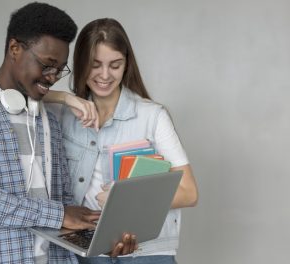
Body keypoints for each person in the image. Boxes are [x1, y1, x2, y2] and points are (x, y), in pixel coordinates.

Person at [0, 3, 135, 263]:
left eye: (60, 69)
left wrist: (102, 239)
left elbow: (65, 204)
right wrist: (57, 214)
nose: (53, 77)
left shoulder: (48, 119)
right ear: (15, 49)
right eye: (47, 65)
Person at [44, 18, 199, 264]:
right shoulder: (62, 114)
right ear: (81, 63)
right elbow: (16, 93)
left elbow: (189, 193)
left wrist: (121, 200)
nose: (105, 75)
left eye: (115, 65)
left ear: (126, 65)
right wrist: (65, 97)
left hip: (146, 252)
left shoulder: (153, 116)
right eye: (95, 65)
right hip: (84, 250)